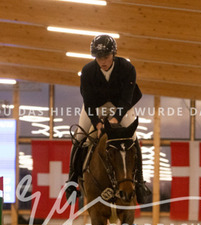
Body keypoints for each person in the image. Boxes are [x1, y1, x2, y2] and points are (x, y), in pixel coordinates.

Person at [64, 34, 151, 204]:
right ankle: (72, 182)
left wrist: (115, 119)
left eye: (106, 57)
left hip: (121, 106)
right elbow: (88, 101)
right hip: (95, 106)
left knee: (133, 138)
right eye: (98, 57)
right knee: (79, 138)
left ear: (113, 54)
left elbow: (126, 99)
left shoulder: (127, 68)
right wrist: (97, 123)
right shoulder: (88, 71)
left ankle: (140, 182)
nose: (102, 61)